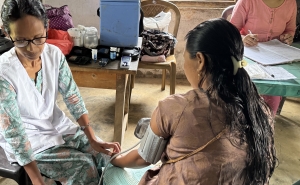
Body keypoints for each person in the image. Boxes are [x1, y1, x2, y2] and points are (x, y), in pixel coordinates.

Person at [109, 18, 277, 185]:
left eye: (185, 57)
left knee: (111, 172)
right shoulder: (260, 111)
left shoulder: (175, 108)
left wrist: (116, 160)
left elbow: (142, 158)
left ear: (200, 60)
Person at [0, 0, 120, 184]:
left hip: (56, 125)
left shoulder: (54, 55)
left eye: (39, 38)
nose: (32, 49)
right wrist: (36, 180)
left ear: (47, 27)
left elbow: (73, 97)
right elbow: (15, 133)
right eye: (22, 40)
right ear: (7, 33)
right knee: (84, 167)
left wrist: (92, 137)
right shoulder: (4, 73)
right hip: (29, 140)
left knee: (106, 156)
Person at [230, 0, 297, 115]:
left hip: (276, 57)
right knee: (246, 87)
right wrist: (242, 38)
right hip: (247, 55)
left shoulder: (290, 3)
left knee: (273, 92)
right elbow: (231, 30)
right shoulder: (247, 2)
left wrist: (288, 37)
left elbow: (290, 30)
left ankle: (266, 123)